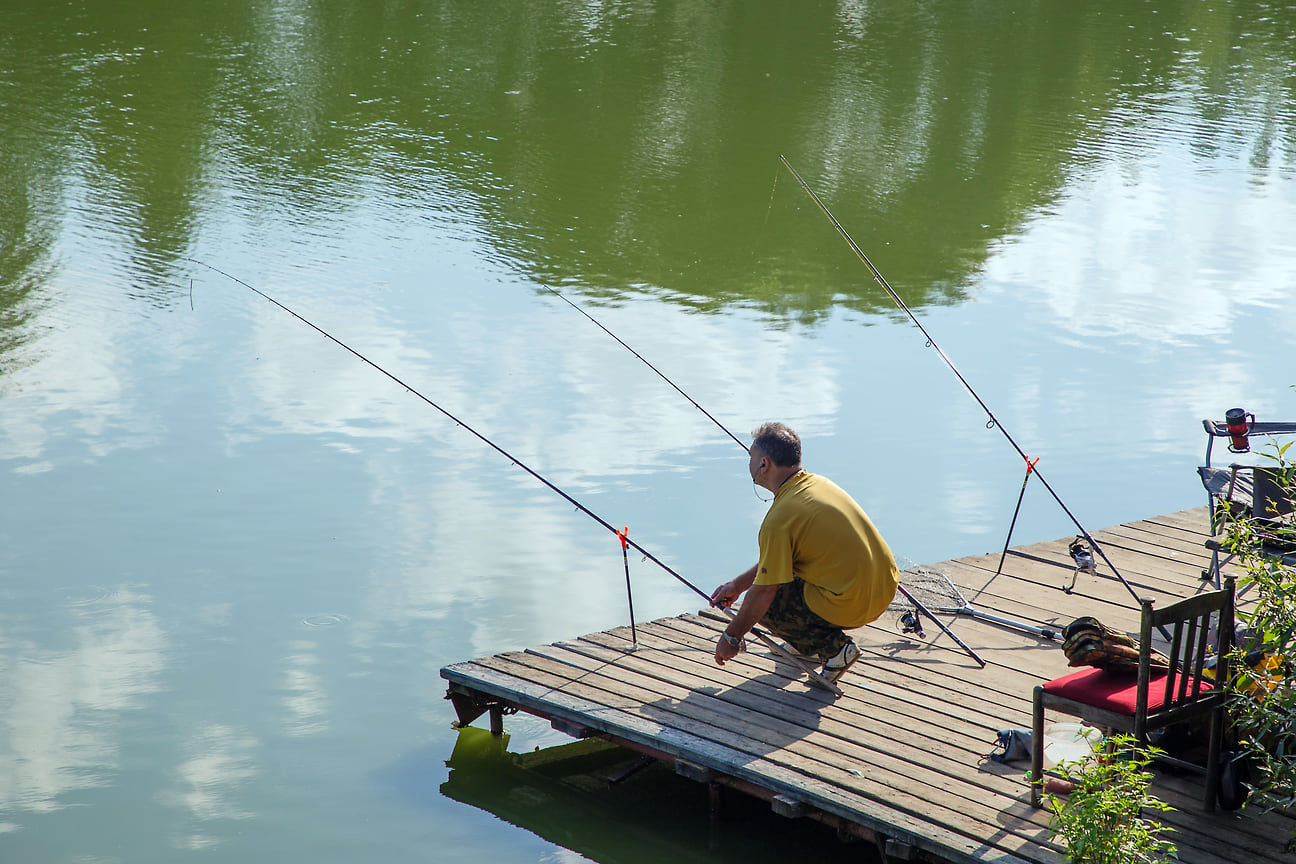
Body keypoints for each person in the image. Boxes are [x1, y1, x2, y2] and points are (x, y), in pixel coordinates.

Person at [710, 422, 899, 684]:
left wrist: (731, 637)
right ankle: (804, 645)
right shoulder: (818, 484)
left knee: (765, 605)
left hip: (855, 603)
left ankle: (834, 649)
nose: (750, 462)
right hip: (884, 588)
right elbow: (778, 561)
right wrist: (737, 585)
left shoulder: (779, 519)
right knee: (775, 583)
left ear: (764, 464)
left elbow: (764, 592)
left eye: (751, 456)